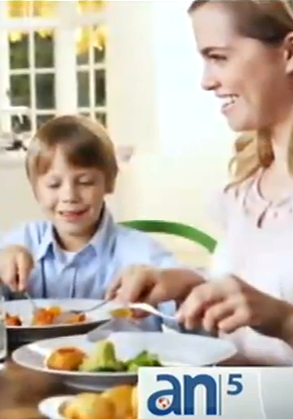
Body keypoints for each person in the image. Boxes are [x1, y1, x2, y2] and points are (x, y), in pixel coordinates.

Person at [107, 0, 293, 365]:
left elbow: (272, 306)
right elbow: (257, 291)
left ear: (288, 53)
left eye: (219, 57)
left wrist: (284, 319)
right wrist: (188, 284)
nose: (206, 81)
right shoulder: (244, 190)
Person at [0, 115, 182, 317]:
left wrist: (170, 283)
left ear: (110, 182)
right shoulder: (21, 242)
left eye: (85, 182)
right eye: (54, 184)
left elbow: (190, 315)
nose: (69, 196)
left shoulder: (142, 253)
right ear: (35, 189)